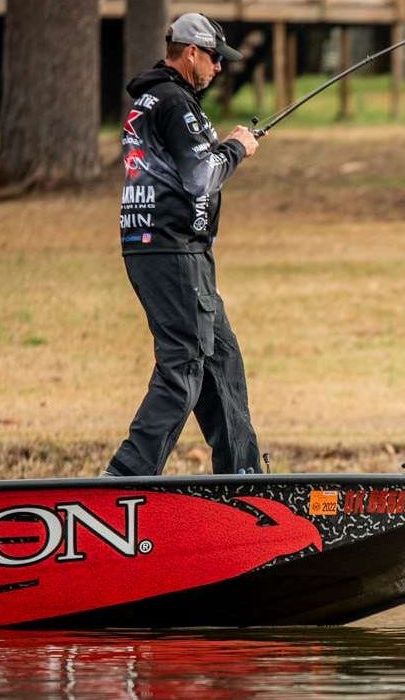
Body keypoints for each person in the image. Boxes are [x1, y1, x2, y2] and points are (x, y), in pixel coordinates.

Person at [104, 13, 263, 477]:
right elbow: (201, 177)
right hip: (171, 250)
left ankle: (242, 476)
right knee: (184, 366)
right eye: (214, 57)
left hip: (165, 248)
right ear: (190, 52)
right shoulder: (174, 102)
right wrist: (237, 147)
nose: (218, 67)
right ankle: (126, 477)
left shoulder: (151, 101)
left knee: (221, 360)